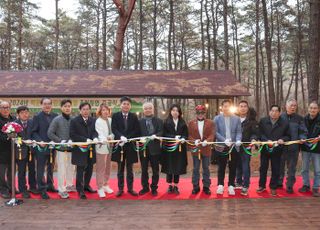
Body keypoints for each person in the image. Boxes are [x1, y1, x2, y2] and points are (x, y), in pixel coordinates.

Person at [257, 105, 290, 196]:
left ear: (279, 113)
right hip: (265, 149)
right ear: (269, 111)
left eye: (276, 111)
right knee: (263, 168)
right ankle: (261, 185)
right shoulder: (263, 121)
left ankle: (273, 187)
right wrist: (266, 140)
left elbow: (288, 135)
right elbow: (260, 133)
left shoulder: (285, 122)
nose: (274, 113)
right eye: (272, 110)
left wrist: (283, 139)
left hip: (277, 149)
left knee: (276, 169)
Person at [111, 96, 141, 197]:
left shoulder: (134, 116)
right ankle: (120, 188)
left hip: (130, 146)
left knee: (130, 169)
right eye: (124, 104)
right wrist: (121, 137)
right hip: (120, 146)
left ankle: (130, 188)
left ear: (130, 106)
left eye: (128, 104)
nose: (126, 106)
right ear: (121, 105)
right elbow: (114, 129)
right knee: (120, 169)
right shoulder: (115, 116)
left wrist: (126, 138)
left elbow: (137, 130)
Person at [48, 99, 75, 199]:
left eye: (69, 106)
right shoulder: (57, 119)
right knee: (62, 169)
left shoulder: (73, 119)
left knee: (71, 168)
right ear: (61, 108)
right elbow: (50, 133)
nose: (67, 108)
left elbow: (75, 132)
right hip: (61, 148)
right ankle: (61, 189)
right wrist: (60, 141)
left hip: (71, 148)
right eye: (65, 106)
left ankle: (69, 185)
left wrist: (72, 140)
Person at [70, 102, 98, 199]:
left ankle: (87, 185)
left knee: (90, 168)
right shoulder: (74, 121)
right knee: (80, 169)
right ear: (80, 110)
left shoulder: (93, 120)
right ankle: (80, 189)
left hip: (90, 149)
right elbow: (72, 134)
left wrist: (95, 138)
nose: (86, 111)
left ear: (90, 110)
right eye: (84, 109)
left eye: (87, 109)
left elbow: (95, 131)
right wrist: (85, 140)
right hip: (79, 149)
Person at [278, 99, 307, 193]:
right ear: (286, 106)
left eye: (295, 105)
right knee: (280, 166)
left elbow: (303, 131)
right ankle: (279, 182)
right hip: (281, 147)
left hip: (294, 148)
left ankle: (289, 185)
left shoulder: (299, 118)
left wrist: (302, 138)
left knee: (291, 168)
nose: (293, 107)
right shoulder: (280, 117)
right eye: (291, 105)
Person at [31, 98, 58, 199]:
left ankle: (50, 185)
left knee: (51, 167)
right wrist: (39, 141)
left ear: (52, 105)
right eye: (45, 104)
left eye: (49, 104)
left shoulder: (56, 116)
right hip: (41, 147)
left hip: (52, 146)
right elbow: (34, 132)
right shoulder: (37, 117)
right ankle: (42, 189)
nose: (47, 106)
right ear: (41, 105)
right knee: (41, 168)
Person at [214, 99, 242, 195]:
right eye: (224, 106)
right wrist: (224, 140)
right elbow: (215, 132)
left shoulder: (236, 118)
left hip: (233, 146)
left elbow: (239, 131)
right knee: (221, 166)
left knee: (233, 166)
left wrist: (238, 140)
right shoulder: (217, 118)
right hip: (221, 146)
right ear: (222, 107)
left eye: (228, 106)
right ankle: (220, 185)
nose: (226, 108)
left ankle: (231, 185)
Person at [188, 105, 215, 195]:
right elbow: (189, 135)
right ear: (196, 113)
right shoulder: (191, 123)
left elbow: (212, 134)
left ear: (205, 113)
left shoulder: (210, 123)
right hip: (196, 149)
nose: (200, 114)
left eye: (202, 113)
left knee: (206, 168)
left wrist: (207, 141)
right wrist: (194, 141)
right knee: (195, 168)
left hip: (206, 149)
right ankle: (195, 186)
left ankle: (206, 186)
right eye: (198, 113)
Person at [161, 104, 188, 195]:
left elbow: (185, 134)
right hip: (169, 148)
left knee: (177, 167)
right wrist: (173, 137)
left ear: (179, 112)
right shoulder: (166, 122)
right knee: (169, 166)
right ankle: (170, 185)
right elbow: (164, 134)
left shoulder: (183, 122)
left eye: (177, 110)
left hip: (179, 149)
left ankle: (176, 185)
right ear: (170, 111)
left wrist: (183, 138)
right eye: (173, 110)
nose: (175, 112)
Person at [138, 102, 163, 196]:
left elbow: (161, 131)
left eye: (149, 108)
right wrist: (141, 138)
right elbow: (136, 134)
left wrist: (156, 135)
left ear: (153, 109)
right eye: (146, 108)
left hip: (155, 149)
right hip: (143, 149)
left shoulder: (159, 121)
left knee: (155, 170)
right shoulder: (139, 122)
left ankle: (154, 188)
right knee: (144, 170)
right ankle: (145, 187)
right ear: (143, 110)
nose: (148, 110)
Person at [235, 101, 259, 196]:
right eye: (241, 106)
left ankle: (245, 185)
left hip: (246, 146)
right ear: (238, 108)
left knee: (245, 166)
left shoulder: (252, 121)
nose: (243, 108)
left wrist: (253, 139)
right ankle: (238, 181)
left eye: (245, 106)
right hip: (236, 146)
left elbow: (255, 133)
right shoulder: (234, 119)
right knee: (237, 165)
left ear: (247, 108)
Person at [299, 101, 320, 197]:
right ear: (308, 109)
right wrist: (302, 137)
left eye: (315, 108)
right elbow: (301, 131)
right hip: (305, 147)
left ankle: (315, 187)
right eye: (311, 108)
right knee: (304, 169)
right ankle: (306, 185)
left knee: (317, 170)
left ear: (318, 109)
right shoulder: (304, 119)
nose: (313, 110)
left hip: (317, 149)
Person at [15, 106, 36, 198]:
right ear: (18, 114)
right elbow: (13, 137)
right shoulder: (14, 124)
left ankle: (33, 187)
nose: (25, 114)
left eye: (26, 112)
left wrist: (33, 140)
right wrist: (21, 141)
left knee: (32, 170)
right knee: (21, 171)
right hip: (20, 151)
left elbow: (35, 133)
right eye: (22, 113)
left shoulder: (32, 122)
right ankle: (22, 189)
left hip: (31, 150)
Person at [95, 103, 114, 198]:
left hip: (110, 146)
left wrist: (111, 136)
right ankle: (100, 188)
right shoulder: (98, 121)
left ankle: (106, 184)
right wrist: (106, 137)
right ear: (100, 111)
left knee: (108, 167)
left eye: (107, 109)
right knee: (101, 168)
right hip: (101, 147)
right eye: (103, 110)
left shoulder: (110, 120)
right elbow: (100, 134)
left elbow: (114, 132)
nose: (105, 111)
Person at [0, 101, 16, 199]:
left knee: (12, 170)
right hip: (1, 150)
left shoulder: (13, 119)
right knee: (1, 172)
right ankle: (3, 189)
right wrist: (8, 136)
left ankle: (11, 187)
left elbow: (18, 131)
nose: (5, 109)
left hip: (12, 150)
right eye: (3, 107)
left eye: (7, 107)